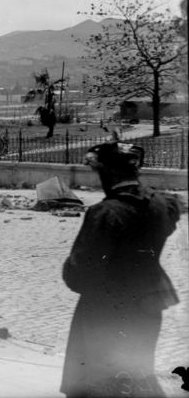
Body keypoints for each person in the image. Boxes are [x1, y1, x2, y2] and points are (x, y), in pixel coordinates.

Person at [61, 139, 182, 397]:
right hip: (149, 303)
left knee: (100, 382)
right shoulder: (162, 204)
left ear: (109, 173)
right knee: (138, 374)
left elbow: (79, 275)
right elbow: (168, 222)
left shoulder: (105, 213)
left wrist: (69, 266)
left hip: (105, 309)